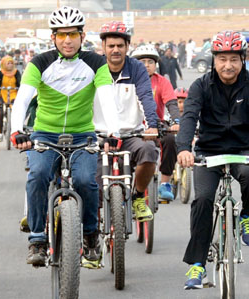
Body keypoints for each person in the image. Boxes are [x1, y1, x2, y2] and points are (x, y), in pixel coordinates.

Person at [10, 6, 121, 268]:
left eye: (73, 34)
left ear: (82, 36)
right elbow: (23, 98)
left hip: (83, 134)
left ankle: (91, 234)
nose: (68, 40)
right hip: (45, 134)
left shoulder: (96, 63)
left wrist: (113, 131)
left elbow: (107, 98)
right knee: (37, 175)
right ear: (53, 38)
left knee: (85, 180)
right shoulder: (39, 63)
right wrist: (17, 130)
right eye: (61, 35)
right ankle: (37, 239)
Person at [176, 30, 249, 290]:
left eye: (234, 59)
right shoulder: (201, 85)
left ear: (243, 59)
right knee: (202, 200)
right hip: (207, 153)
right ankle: (197, 265)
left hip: (241, 151)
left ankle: (246, 213)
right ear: (214, 60)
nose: (228, 65)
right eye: (222, 59)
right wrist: (183, 149)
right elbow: (189, 117)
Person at [93, 21, 160, 235]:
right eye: (111, 45)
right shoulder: (94, 69)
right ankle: (91, 228)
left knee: (149, 152)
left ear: (127, 47)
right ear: (103, 47)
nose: (115, 50)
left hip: (131, 134)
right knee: (87, 182)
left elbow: (146, 98)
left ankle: (138, 197)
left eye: (120, 46)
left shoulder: (137, 68)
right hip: (98, 137)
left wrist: (152, 126)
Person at [131, 44, 181, 202]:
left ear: (156, 64)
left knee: (171, 140)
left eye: (150, 62)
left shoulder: (162, 82)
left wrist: (176, 121)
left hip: (156, 124)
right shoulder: (128, 81)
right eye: (142, 62)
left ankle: (165, 182)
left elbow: (171, 103)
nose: (146, 65)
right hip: (132, 124)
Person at [0, 56, 22, 142]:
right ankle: (0, 133)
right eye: (8, 63)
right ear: (3, 64)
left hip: (14, 94)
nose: (10, 65)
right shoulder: (0, 73)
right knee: (1, 112)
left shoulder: (16, 72)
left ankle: (14, 130)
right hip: (3, 94)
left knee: (15, 110)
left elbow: (20, 82)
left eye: (11, 63)